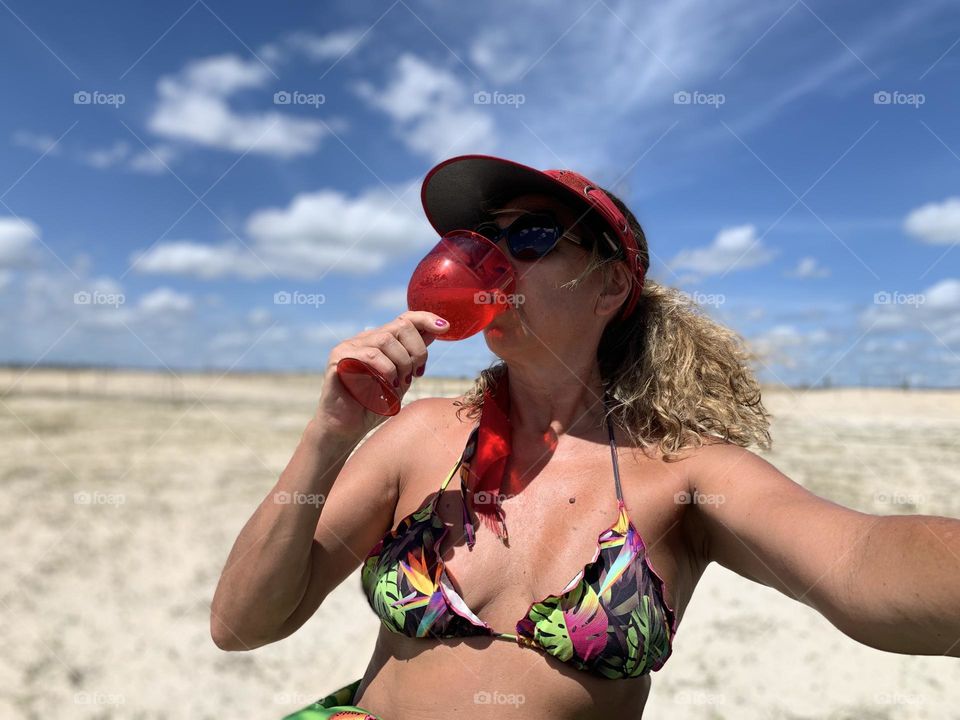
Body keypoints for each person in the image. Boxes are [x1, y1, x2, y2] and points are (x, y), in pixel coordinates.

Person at [210, 154, 960, 720]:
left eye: (532, 237)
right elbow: (243, 626)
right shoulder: (420, 436)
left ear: (609, 288)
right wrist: (328, 435)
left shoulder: (680, 471)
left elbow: (859, 560)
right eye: (479, 240)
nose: (489, 262)